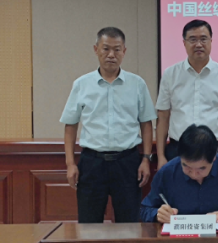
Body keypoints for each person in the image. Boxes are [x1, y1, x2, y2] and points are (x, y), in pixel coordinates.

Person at [61, 27, 156, 223]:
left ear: (124, 51)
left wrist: (146, 159)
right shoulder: (82, 84)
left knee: (129, 223)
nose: (111, 55)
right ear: (96, 49)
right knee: (88, 224)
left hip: (127, 162)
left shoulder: (137, 84)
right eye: (106, 49)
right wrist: (70, 164)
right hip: (92, 162)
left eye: (117, 49)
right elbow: (70, 126)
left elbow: (146, 124)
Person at [155, 19, 218, 168]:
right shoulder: (170, 74)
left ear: (211, 41)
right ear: (184, 43)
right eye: (192, 39)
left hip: (216, 151)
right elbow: (163, 117)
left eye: (203, 39)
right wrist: (161, 156)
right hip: (178, 151)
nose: (198, 44)